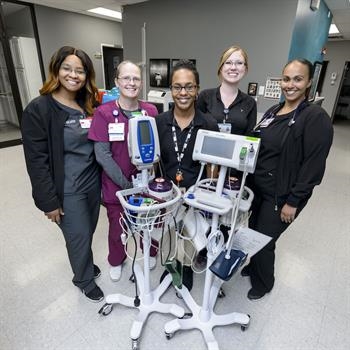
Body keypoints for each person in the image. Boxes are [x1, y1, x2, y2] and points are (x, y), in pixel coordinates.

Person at [242, 58, 334, 300]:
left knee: (264, 240)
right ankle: (253, 267)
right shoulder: (274, 110)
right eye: (286, 79)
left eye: (297, 79)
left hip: (281, 195)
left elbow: (313, 166)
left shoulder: (314, 117)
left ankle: (263, 284)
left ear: (308, 83)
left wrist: (293, 201)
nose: (290, 84)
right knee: (253, 230)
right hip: (258, 189)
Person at [21, 46, 104, 302]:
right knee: (77, 236)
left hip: (92, 183)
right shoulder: (40, 109)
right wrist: (49, 202)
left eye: (80, 71)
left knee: (88, 230)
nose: (73, 75)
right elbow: (36, 161)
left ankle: (85, 264)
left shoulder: (87, 103)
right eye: (67, 68)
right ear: (56, 70)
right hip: (67, 189)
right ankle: (83, 279)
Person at [88, 61, 159, 282]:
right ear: (117, 82)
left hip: (147, 182)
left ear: (141, 82)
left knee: (150, 221)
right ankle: (116, 260)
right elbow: (103, 156)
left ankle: (150, 252)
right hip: (117, 186)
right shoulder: (104, 114)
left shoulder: (151, 111)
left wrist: (149, 184)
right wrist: (128, 187)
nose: (131, 82)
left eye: (136, 78)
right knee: (117, 228)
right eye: (126, 78)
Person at [156, 59, 219, 291]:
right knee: (170, 232)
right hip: (168, 194)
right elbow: (155, 161)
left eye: (189, 86)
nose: (183, 92)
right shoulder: (159, 122)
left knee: (191, 235)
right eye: (177, 87)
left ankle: (187, 267)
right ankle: (171, 264)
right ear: (171, 89)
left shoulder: (208, 124)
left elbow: (214, 166)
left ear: (197, 89)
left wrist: (206, 192)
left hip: (196, 195)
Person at [197, 45, 256, 135]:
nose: (233, 67)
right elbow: (195, 128)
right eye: (228, 62)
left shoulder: (250, 103)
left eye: (239, 63)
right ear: (221, 68)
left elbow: (250, 137)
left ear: (245, 69)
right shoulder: (205, 96)